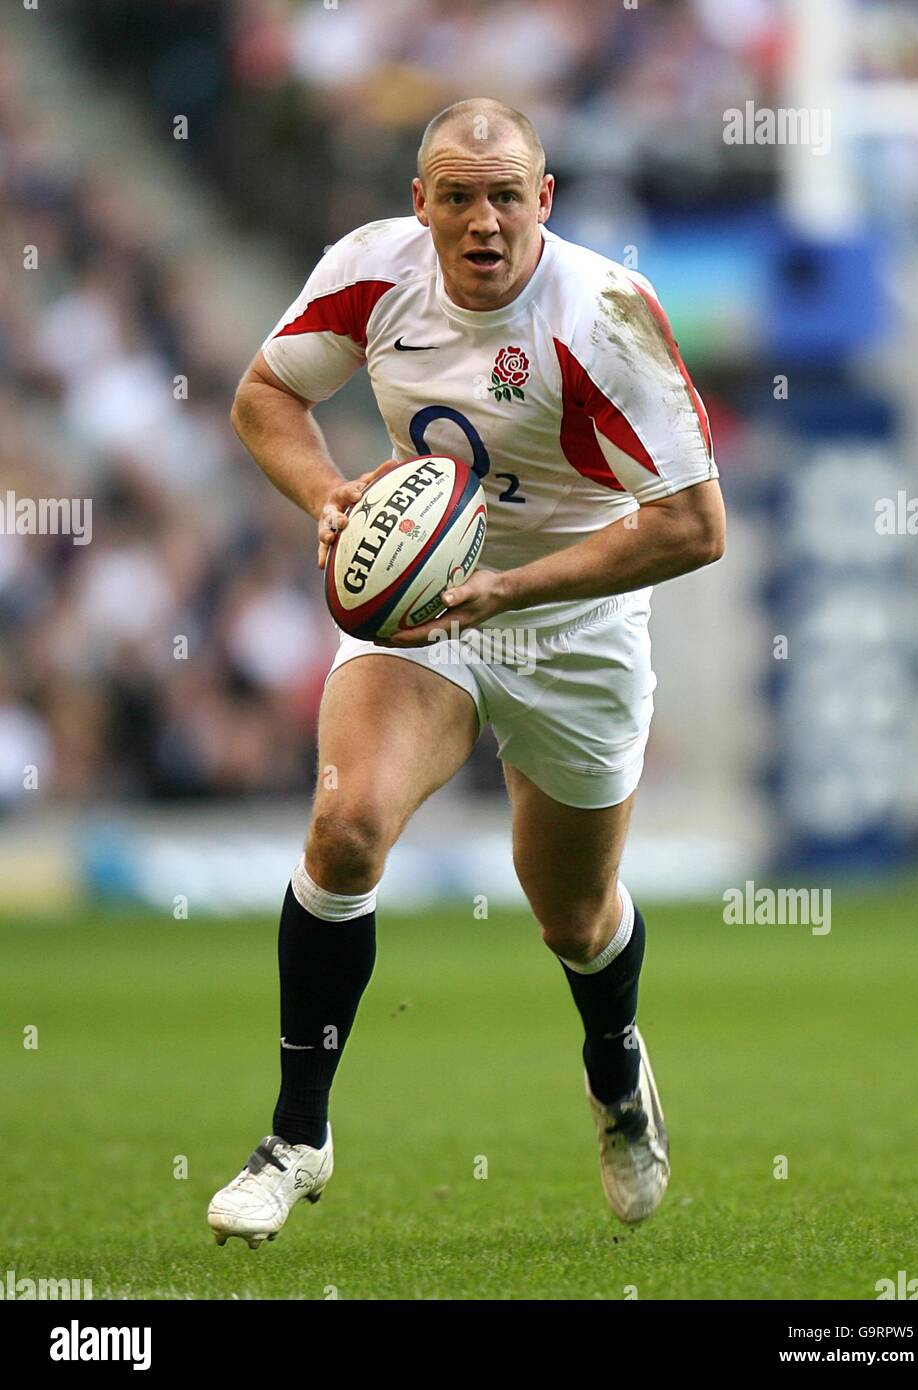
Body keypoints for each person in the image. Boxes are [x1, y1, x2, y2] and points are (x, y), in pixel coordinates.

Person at [207, 98, 725, 1249]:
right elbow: (265, 397)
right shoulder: (371, 274)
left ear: (543, 199)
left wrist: (511, 589)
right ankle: (296, 1135)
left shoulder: (605, 317)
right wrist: (333, 497)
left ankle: (614, 1067)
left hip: (575, 620)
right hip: (425, 607)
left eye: (505, 196)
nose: (481, 220)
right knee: (345, 823)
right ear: (420, 205)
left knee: (572, 914)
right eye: (456, 195)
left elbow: (694, 527)